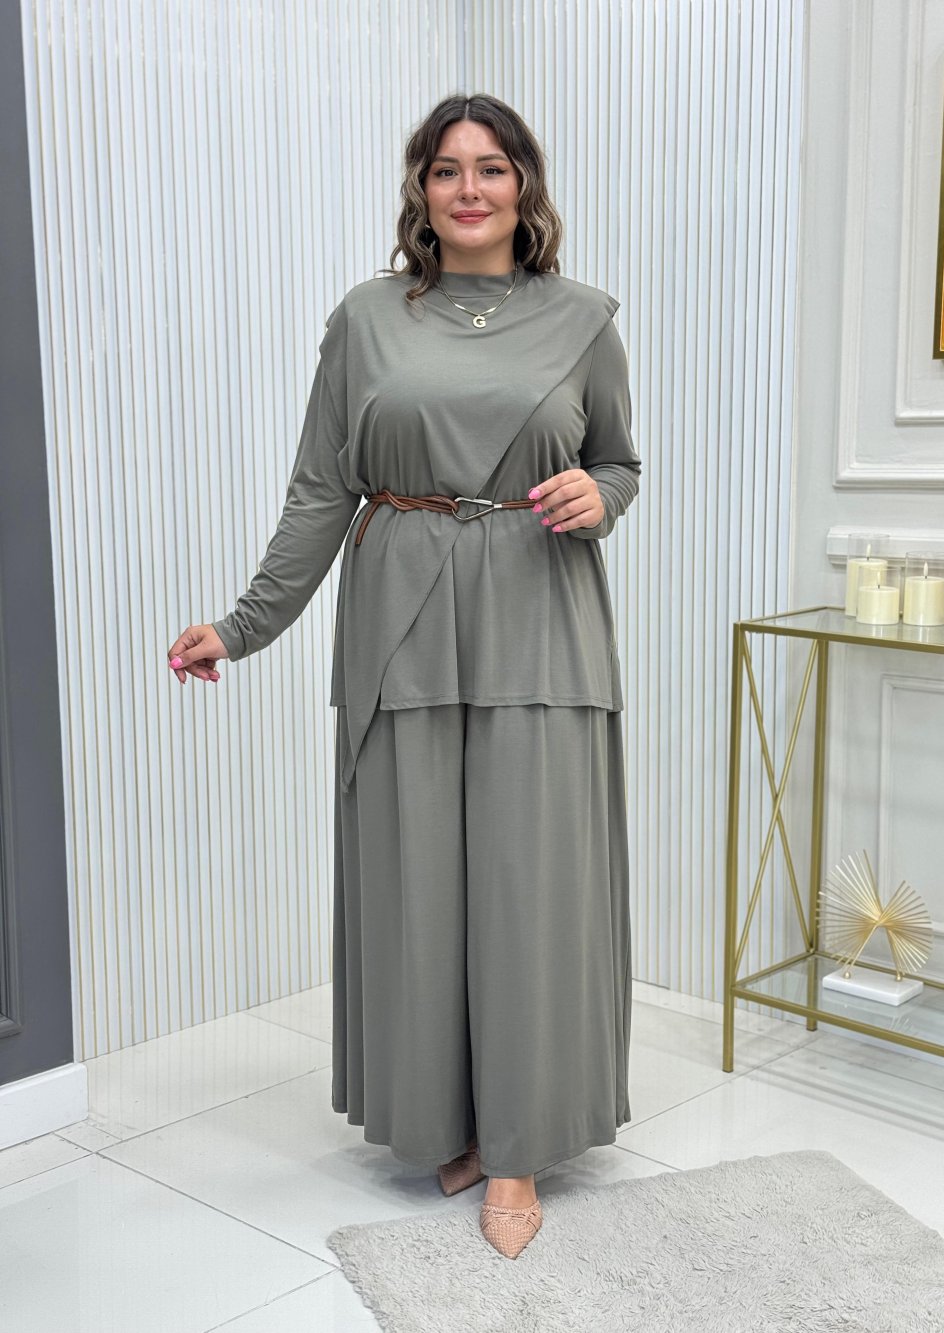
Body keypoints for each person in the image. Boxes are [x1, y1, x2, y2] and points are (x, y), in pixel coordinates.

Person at [166, 92, 641, 1261]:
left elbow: (617, 461)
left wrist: (601, 496)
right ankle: (444, 1120)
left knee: (528, 888)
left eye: (492, 168)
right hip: (401, 622)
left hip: (539, 617)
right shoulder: (367, 319)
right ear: (420, 191)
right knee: (418, 881)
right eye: (446, 169)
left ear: (524, 186)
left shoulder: (583, 319)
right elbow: (321, 490)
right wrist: (242, 626)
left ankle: (518, 1147)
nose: (469, 189)